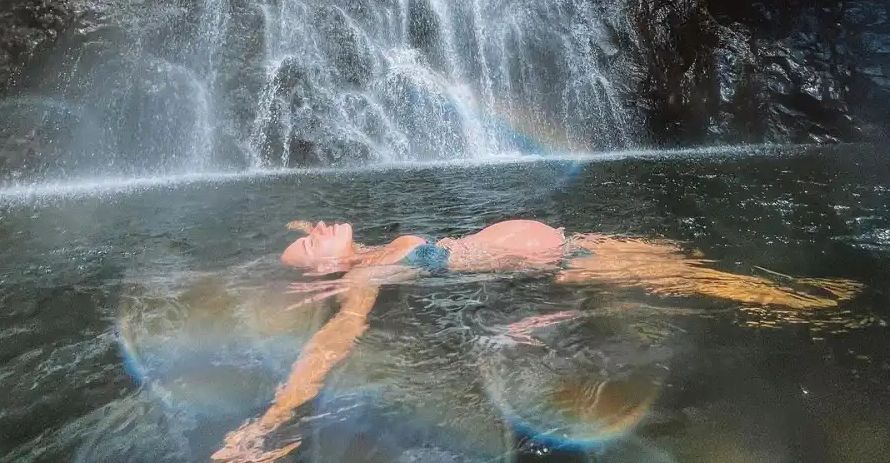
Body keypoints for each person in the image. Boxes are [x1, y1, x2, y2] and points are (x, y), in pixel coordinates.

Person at [212, 218, 859, 462]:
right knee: (748, 294)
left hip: (586, 248)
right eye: (308, 240)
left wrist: (305, 230)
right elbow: (335, 341)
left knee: (737, 284)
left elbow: (321, 238)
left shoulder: (379, 250)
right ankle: (837, 322)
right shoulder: (374, 271)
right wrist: (273, 422)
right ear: (328, 269)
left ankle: (831, 310)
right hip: (573, 260)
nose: (319, 227)